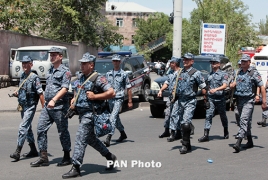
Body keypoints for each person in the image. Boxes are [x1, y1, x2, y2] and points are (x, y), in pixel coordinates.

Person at [62, 53, 116, 178]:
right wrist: (74, 99)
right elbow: (77, 88)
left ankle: (76, 167)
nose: (82, 65)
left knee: (80, 138)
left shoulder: (98, 78)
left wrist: (95, 96)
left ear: (91, 65)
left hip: (91, 114)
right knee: (90, 139)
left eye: (84, 63)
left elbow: (112, 92)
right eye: (81, 63)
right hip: (81, 113)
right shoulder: (81, 76)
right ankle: (109, 156)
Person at [30, 47, 72, 167]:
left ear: (60, 57)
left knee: (62, 132)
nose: (51, 57)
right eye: (50, 55)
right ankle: (43, 157)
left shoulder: (66, 71)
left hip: (59, 107)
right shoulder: (50, 70)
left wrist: (54, 99)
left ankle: (67, 156)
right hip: (48, 107)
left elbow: (64, 88)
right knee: (40, 129)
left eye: (54, 55)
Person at [10, 56, 45, 161]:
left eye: (26, 63)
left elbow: (40, 93)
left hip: (30, 106)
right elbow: (23, 90)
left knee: (23, 127)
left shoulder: (34, 77)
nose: (24, 65)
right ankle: (33, 149)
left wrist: (44, 108)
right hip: (23, 105)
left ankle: (17, 151)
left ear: (31, 64)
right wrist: (17, 94)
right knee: (27, 128)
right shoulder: (22, 76)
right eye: (23, 63)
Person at [230, 54, 266, 153]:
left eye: (245, 61)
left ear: (249, 62)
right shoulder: (238, 72)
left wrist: (264, 101)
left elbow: (262, 87)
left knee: (243, 119)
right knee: (245, 121)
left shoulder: (254, 73)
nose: (243, 63)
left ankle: (238, 142)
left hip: (249, 101)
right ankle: (250, 141)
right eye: (242, 61)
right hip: (239, 100)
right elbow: (231, 83)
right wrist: (232, 85)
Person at [176, 53, 207, 154]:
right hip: (180, 101)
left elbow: (204, 87)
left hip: (190, 100)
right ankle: (188, 143)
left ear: (192, 61)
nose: (185, 61)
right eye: (184, 60)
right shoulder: (180, 72)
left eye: (187, 60)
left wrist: (206, 99)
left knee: (185, 123)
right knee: (181, 124)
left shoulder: (196, 73)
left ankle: (184, 145)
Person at [103, 54, 133, 147]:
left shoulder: (124, 74)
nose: (115, 62)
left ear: (120, 62)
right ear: (112, 62)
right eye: (114, 61)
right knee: (116, 118)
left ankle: (109, 137)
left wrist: (130, 101)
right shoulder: (108, 74)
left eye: (117, 61)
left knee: (112, 117)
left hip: (118, 98)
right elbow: (105, 86)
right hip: (110, 99)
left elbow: (128, 88)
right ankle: (123, 133)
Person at [198, 56, 229, 142]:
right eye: (212, 63)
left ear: (218, 64)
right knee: (208, 115)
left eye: (214, 63)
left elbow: (225, 85)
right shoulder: (209, 75)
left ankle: (225, 130)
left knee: (223, 116)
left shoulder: (223, 74)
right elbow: (206, 85)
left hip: (220, 98)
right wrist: (204, 93)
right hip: (211, 98)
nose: (212, 64)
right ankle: (206, 135)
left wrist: (216, 89)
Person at [157, 57, 182, 141]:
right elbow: (166, 83)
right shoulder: (171, 72)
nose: (170, 64)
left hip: (178, 97)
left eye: (171, 63)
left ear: (175, 63)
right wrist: (161, 90)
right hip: (171, 97)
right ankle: (167, 130)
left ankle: (174, 133)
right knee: (168, 113)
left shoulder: (181, 73)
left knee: (175, 114)